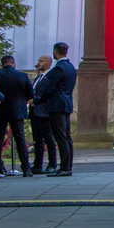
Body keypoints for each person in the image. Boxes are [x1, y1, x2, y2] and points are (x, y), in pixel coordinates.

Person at [36, 42, 77, 176]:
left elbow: (49, 89)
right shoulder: (71, 67)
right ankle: (68, 166)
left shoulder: (58, 69)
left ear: (55, 52)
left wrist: (37, 100)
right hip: (67, 104)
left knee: (60, 137)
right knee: (67, 137)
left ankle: (64, 167)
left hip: (56, 105)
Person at [0, 53, 32, 176]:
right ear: (13, 63)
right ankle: (26, 168)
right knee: (20, 139)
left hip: (1, 110)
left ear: (2, 63)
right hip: (17, 110)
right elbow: (30, 94)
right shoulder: (22, 76)